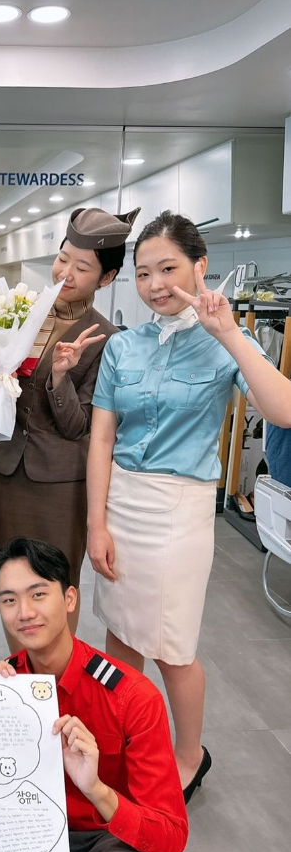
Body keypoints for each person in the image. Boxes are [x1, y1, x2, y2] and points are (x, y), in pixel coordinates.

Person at [87, 210, 291, 802]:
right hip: (122, 502)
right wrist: (96, 522)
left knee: (173, 648)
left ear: (200, 267)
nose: (155, 285)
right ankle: (123, 742)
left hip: (180, 511)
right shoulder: (123, 346)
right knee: (120, 638)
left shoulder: (224, 342)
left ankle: (189, 754)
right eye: (143, 273)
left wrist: (229, 333)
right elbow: (102, 439)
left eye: (168, 269)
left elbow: (282, 410)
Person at [0, 537, 187, 852]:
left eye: (38, 594)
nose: (25, 612)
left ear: (70, 598)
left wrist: (97, 789)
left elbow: (168, 842)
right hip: (21, 838)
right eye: (9, 600)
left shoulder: (133, 697)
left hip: (105, 842)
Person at [0, 207, 138, 639]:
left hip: (59, 483)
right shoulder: (22, 314)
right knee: (10, 580)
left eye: (82, 267)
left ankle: (55, 676)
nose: (66, 272)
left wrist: (60, 377)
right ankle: (21, 672)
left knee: (54, 583)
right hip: (7, 471)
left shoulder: (107, 339)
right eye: (63, 258)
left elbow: (78, 425)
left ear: (106, 278)